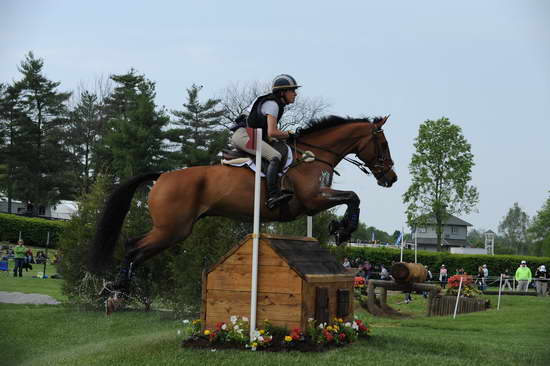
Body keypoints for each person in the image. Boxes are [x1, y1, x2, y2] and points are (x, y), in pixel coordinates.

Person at [231, 74, 300, 209]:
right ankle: (273, 195)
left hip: (251, 134)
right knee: (275, 156)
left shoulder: (274, 103)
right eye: (292, 90)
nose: (295, 94)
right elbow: (272, 133)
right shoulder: (273, 105)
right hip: (245, 136)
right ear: (282, 92)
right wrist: (290, 134)